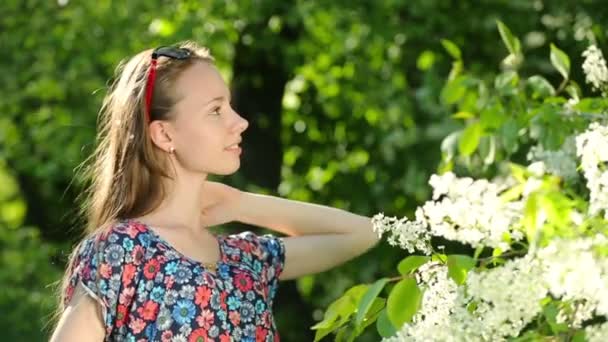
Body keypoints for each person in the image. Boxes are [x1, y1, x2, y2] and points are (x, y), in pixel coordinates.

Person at [49, 41, 379, 342]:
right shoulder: (122, 251)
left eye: (230, 106)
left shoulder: (246, 261)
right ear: (164, 135)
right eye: (215, 110)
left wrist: (241, 203)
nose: (240, 122)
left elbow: (365, 233)